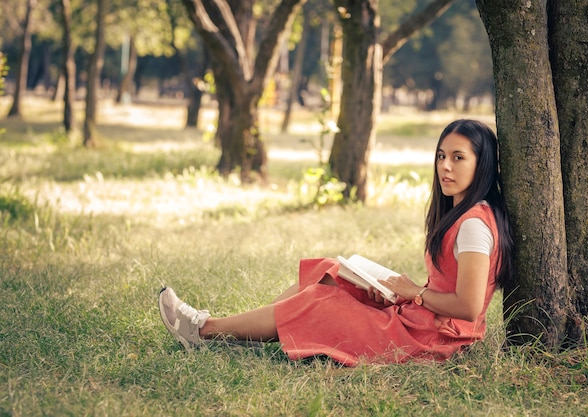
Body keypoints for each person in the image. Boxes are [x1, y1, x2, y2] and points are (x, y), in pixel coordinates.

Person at [158, 119, 514, 366]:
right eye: (441, 155)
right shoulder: (462, 215)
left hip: (433, 340)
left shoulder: (473, 227)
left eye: (458, 158)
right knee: (327, 271)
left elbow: (467, 308)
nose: (445, 167)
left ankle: (206, 329)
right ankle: (256, 330)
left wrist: (414, 293)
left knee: (319, 301)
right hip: (421, 319)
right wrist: (400, 292)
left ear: (482, 165)